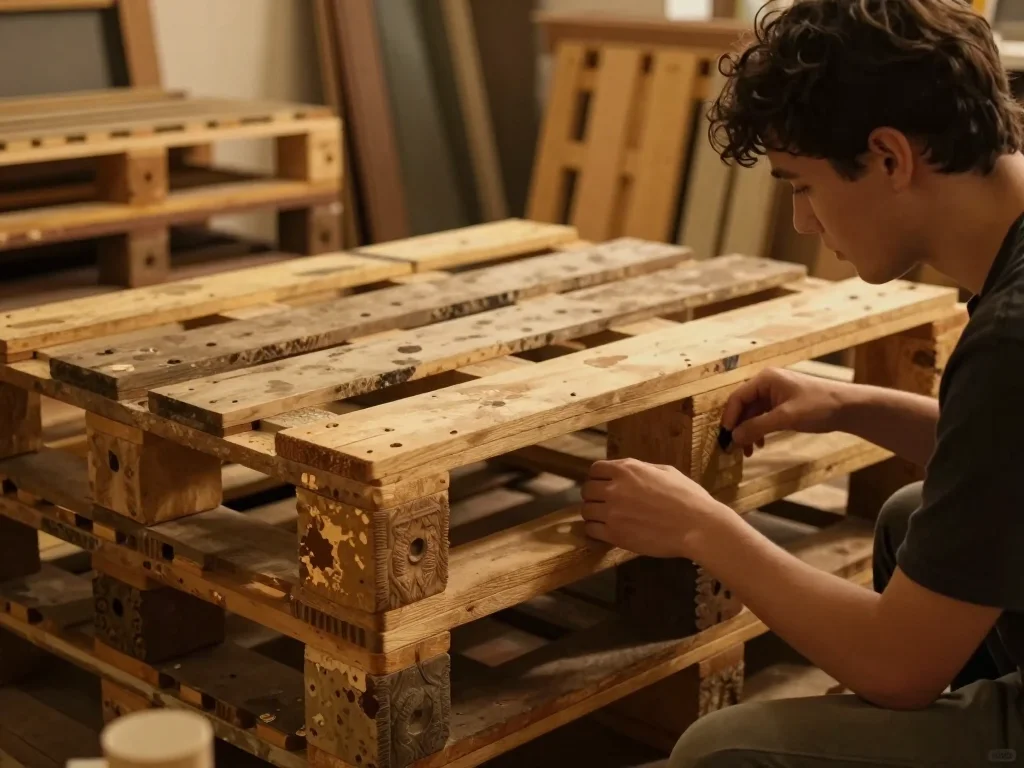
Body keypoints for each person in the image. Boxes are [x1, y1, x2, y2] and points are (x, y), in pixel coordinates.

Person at [579, 1, 1024, 765]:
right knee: (909, 515)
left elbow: (898, 669)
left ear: (889, 158)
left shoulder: (1014, 339)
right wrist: (853, 405)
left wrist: (701, 526)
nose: (803, 222)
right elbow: (1006, 462)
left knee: (728, 749)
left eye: (803, 185)